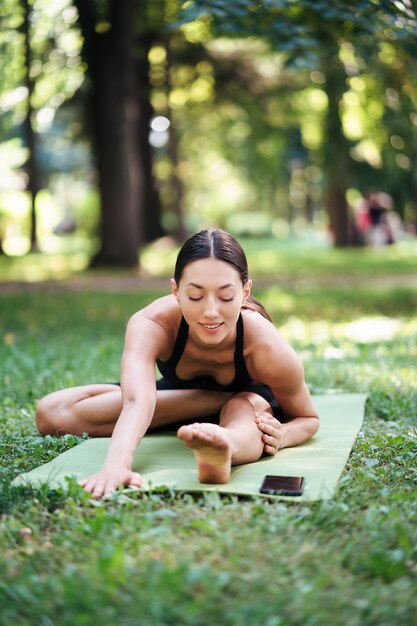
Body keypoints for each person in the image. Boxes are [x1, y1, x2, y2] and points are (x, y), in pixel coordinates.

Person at [35, 229, 319, 498]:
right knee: (52, 413)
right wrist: (116, 464)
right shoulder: (151, 323)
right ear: (176, 291)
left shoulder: (265, 344)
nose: (210, 312)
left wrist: (283, 434)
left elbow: (308, 418)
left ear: (245, 292)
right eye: (195, 296)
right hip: (176, 399)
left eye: (226, 296)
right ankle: (217, 406)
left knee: (243, 410)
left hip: (247, 402)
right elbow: (136, 402)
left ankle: (222, 447)